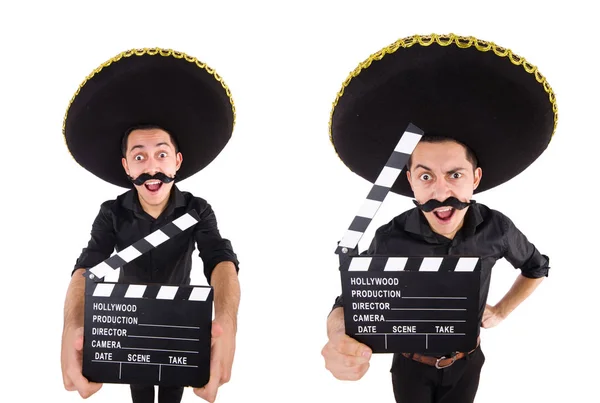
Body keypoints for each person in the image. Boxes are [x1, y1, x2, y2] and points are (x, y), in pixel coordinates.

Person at [321, 33, 558, 403]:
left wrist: (502, 311)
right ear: (410, 180)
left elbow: (536, 267)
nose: (441, 192)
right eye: (426, 176)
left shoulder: (497, 229)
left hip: (467, 362)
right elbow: (350, 301)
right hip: (409, 364)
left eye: (455, 175)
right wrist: (338, 335)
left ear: (475, 179)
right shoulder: (389, 236)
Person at [59, 48, 241, 403]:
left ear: (177, 162)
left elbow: (219, 259)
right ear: (127, 167)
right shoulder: (112, 213)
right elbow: (89, 265)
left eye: (161, 154)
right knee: (140, 394)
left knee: (173, 393)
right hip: (129, 328)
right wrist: (72, 325)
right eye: (139, 156)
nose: (151, 167)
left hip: (179, 324)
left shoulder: (197, 210)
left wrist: (228, 323)